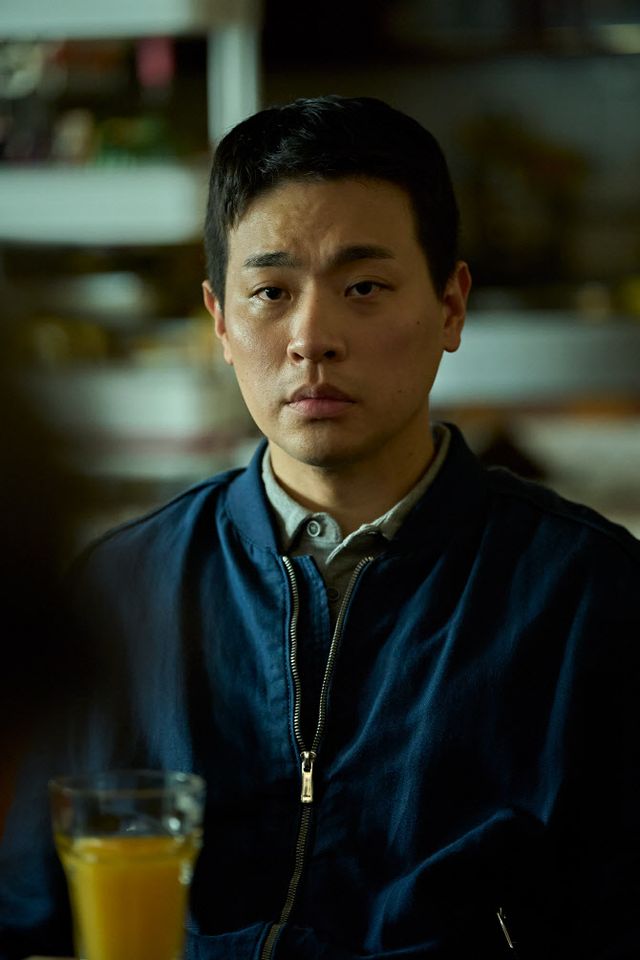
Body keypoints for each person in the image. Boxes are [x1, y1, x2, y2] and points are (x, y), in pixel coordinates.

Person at [1, 95, 639, 960]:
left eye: (363, 287)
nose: (311, 338)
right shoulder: (120, 588)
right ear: (219, 322)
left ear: (451, 306)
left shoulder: (590, 596)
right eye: (270, 292)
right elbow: (29, 916)